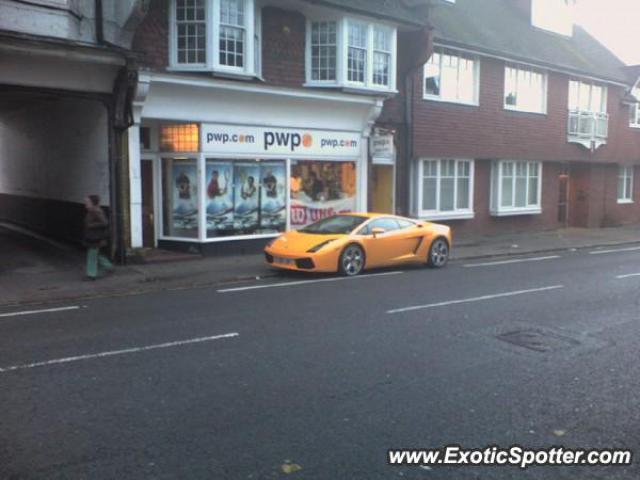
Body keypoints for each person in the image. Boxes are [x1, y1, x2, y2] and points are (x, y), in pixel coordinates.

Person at [83, 195, 113, 280]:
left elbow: (105, 222)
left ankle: (91, 275)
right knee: (96, 254)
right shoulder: (91, 210)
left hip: (96, 237)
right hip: (93, 236)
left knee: (91, 255)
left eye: (87, 202)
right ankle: (109, 266)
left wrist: (91, 225)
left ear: (93, 202)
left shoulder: (96, 211)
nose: (85, 204)